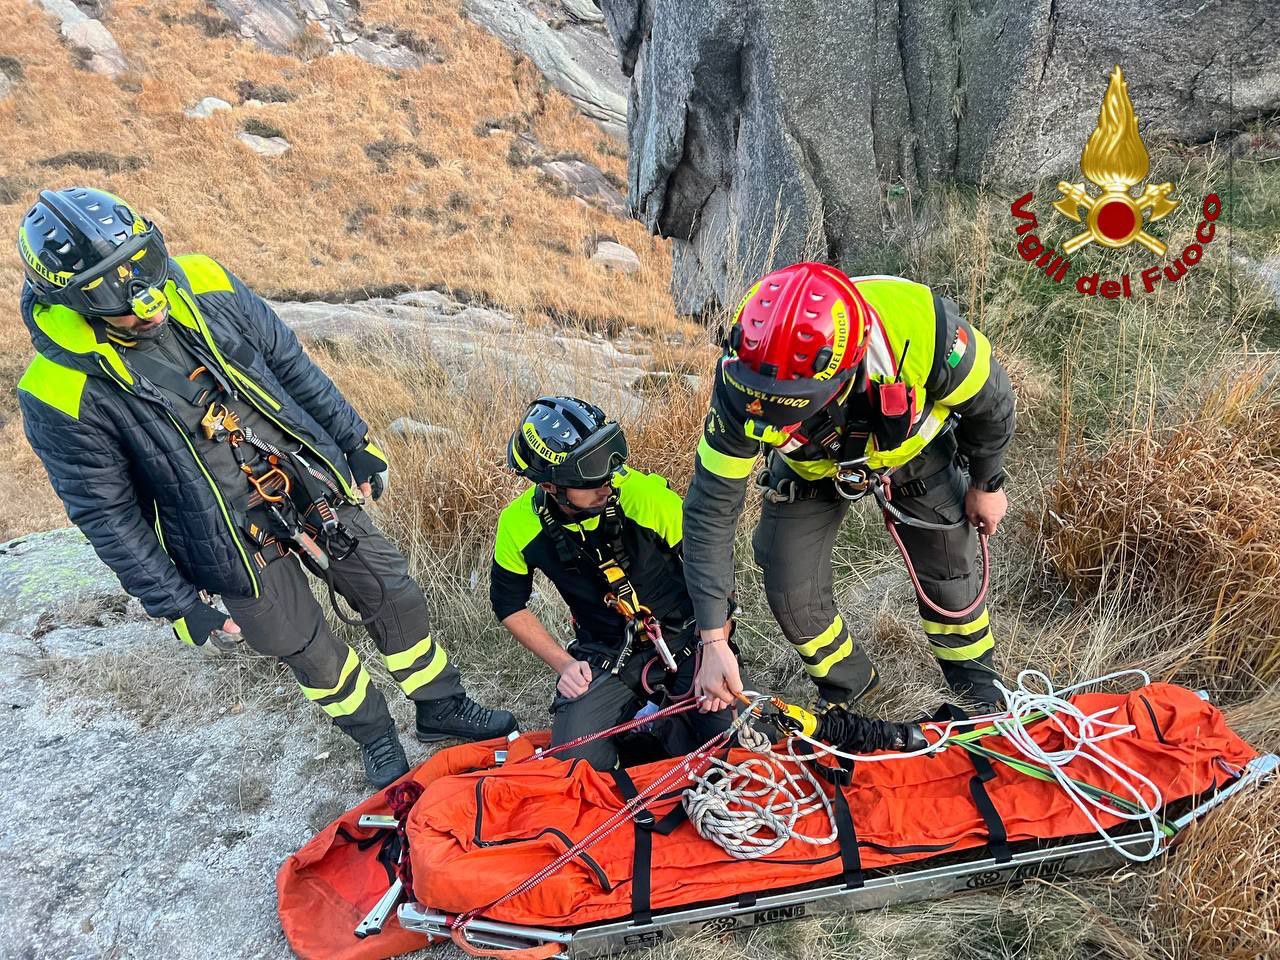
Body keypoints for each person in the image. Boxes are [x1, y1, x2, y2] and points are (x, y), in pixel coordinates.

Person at [16, 187, 516, 788]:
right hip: (223, 534)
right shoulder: (56, 388)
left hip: (301, 479)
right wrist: (175, 603)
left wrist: (352, 440)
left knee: (391, 589)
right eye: (118, 297)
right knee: (301, 643)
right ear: (74, 301)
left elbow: (288, 363)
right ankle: (375, 736)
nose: (147, 301)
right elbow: (107, 514)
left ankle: (439, 705)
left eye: (146, 272)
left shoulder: (202, 281)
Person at [684, 262, 1015, 713]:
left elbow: (993, 403)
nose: (769, 422)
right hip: (811, 470)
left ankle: (978, 688)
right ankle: (856, 693)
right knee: (791, 588)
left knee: (950, 572)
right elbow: (710, 512)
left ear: (845, 370)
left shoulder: (919, 328)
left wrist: (986, 483)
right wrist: (712, 638)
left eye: (791, 409)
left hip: (915, 451)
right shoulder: (743, 382)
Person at [491, 396, 746, 769]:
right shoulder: (518, 526)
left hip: (688, 641)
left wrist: (715, 647)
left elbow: (715, 571)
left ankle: (664, 724)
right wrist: (564, 665)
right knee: (574, 761)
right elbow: (508, 604)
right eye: (591, 480)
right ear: (550, 487)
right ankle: (655, 728)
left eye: (608, 471)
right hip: (607, 654)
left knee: (730, 743)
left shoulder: (647, 499)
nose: (607, 485)